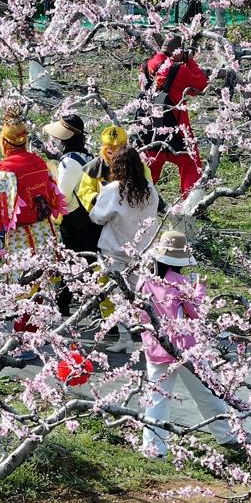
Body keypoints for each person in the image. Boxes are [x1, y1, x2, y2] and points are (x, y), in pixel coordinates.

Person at [139, 230, 237, 459]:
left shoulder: (144, 282)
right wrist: (201, 288)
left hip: (156, 346)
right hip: (186, 347)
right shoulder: (180, 282)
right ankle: (226, 434)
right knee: (206, 391)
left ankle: (153, 448)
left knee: (157, 398)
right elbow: (197, 312)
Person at [89, 147, 160, 352]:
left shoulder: (113, 189)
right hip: (143, 250)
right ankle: (152, 338)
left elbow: (97, 217)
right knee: (143, 296)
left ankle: (125, 338)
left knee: (118, 295)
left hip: (115, 250)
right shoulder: (149, 188)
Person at [0, 114, 65, 256]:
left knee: (25, 268)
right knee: (49, 265)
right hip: (45, 229)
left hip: (20, 235)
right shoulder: (40, 162)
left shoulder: (5, 170)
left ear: (5, 142)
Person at [141, 35, 208, 195]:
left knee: (147, 174)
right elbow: (201, 84)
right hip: (177, 128)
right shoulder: (178, 69)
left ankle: (139, 202)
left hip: (149, 128)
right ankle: (192, 203)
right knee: (191, 166)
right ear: (177, 51)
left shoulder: (145, 66)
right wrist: (189, 61)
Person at [43, 115, 96, 253]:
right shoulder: (88, 156)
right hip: (90, 215)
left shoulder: (68, 162)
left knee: (76, 258)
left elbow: (63, 197)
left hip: (75, 220)